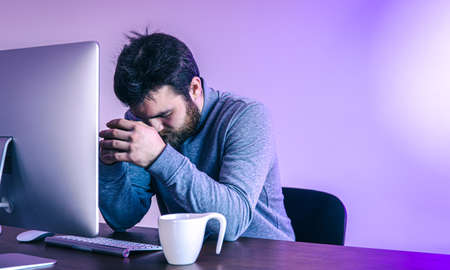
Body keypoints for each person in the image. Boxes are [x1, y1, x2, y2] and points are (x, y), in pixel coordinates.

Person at [98, 31, 295, 241]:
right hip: (190, 255)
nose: (154, 128)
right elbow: (123, 219)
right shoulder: (143, 122)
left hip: (265, 256)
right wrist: (110, 168)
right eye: (143, 119)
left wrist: (160, 157)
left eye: (165, 114)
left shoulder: (246, 116)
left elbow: (232, 224)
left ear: (194, 88)